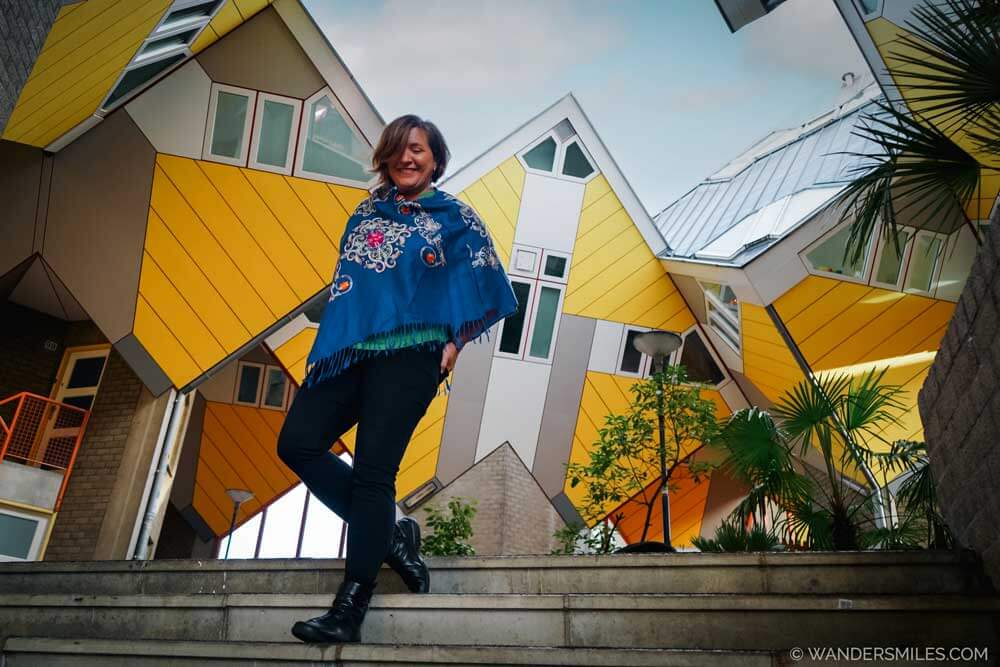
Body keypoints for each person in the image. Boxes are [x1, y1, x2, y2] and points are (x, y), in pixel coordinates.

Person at [276, 114, 517, 644]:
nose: (408, 158)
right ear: (384, 157)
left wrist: (455, 342)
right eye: (398, 150)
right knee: (297, 443)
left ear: (435, 160)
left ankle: (349, 609)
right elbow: (352, 285)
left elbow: (490, 285)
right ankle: (392, 533)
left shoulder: (455, 217)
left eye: (419, 150)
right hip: (351, 352)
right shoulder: (365, 212)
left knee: (372, 473)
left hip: (412, 358)